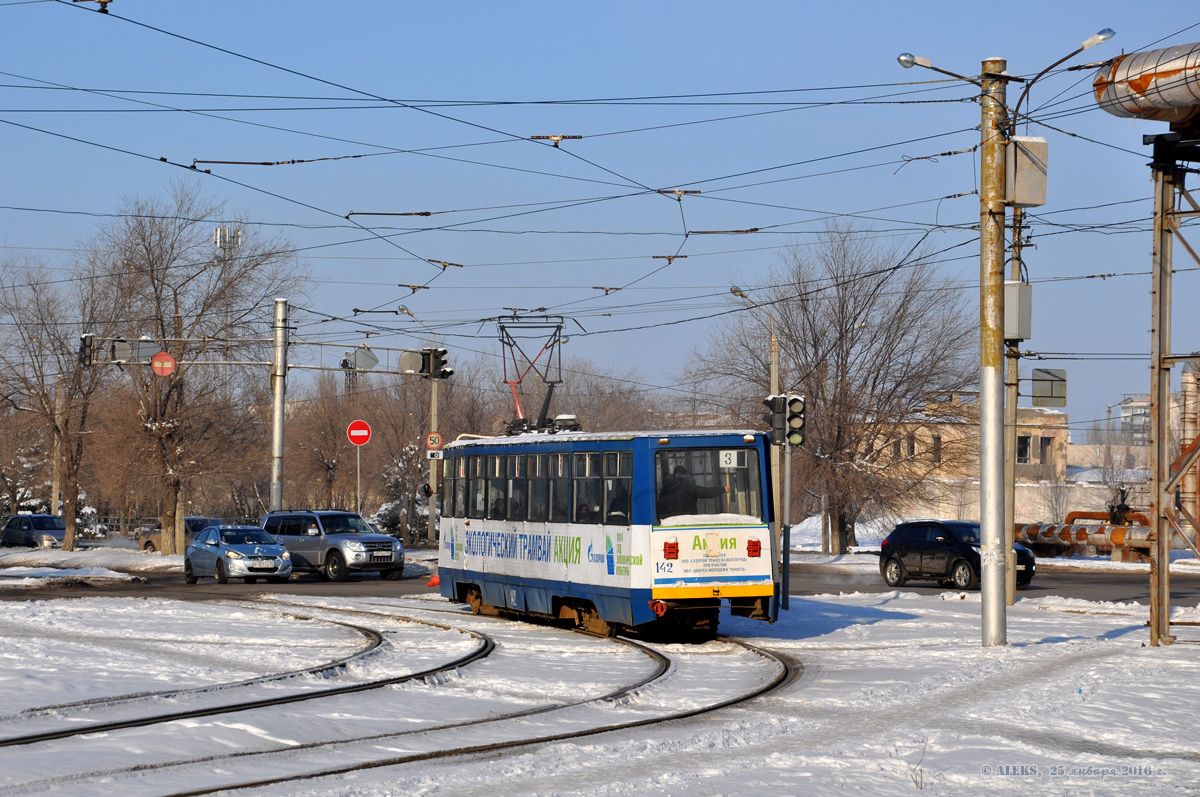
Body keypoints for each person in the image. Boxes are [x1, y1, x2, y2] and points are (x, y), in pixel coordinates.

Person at [657, 466, 727, 520]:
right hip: (688, 520)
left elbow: (660, 504)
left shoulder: (665, 488)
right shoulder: (690, 488)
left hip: (669, 521)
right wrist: (723, 489)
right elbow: (707, 492)